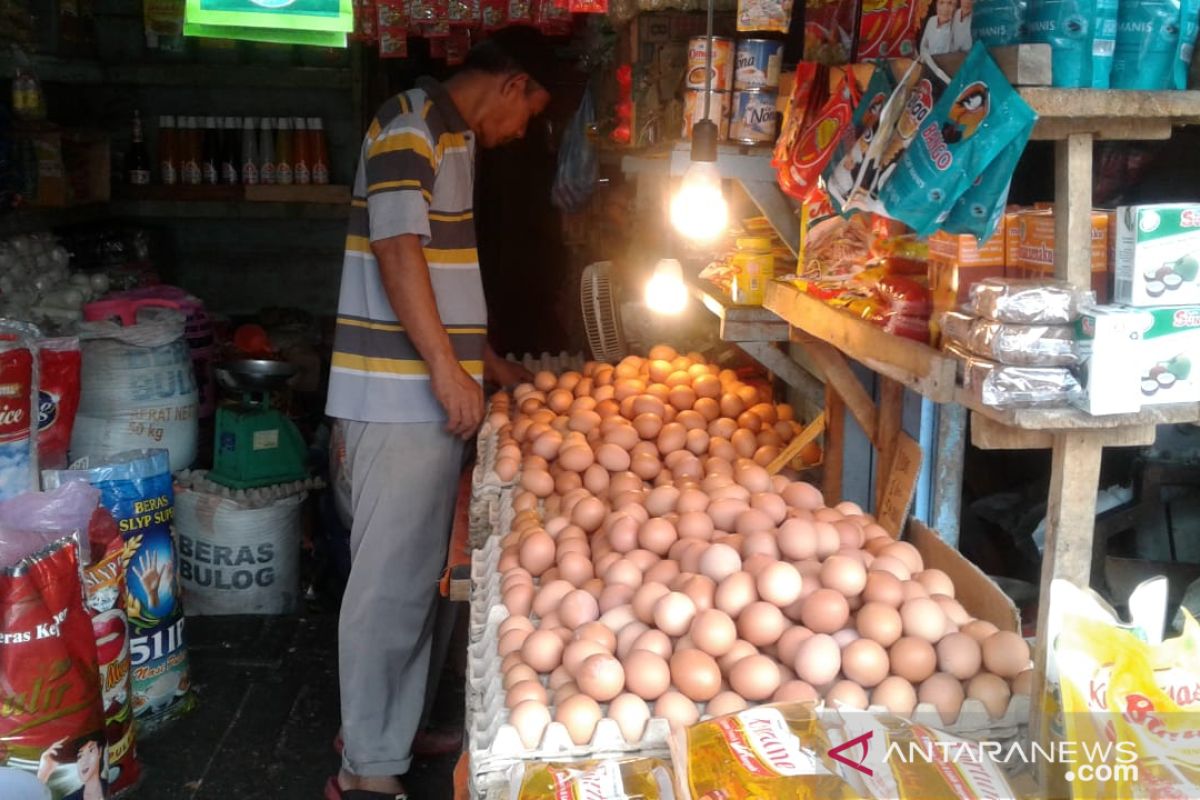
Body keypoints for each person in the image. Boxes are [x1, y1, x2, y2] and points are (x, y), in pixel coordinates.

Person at [324, 29, 551, 800]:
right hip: (393, 396)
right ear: (513, 84)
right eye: (533, 113)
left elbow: (442, 272)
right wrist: (448, 372)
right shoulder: (408, 126)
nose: (524, 132)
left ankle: (395, 723)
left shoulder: (452, 138)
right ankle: (365, 767)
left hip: (428, 387)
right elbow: (397, 254)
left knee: (424, 574)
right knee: (390, 582)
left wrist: (485, 365)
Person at [38, 734, 107, 800]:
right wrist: (43, 775)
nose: (84, 761)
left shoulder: (112, 785)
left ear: (100, 751)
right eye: (80, 756)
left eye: (91, 750)